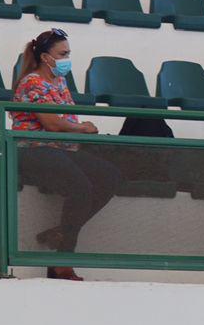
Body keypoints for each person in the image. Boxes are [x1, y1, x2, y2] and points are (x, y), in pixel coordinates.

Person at [11, 29, 121, 280]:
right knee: (80, 187)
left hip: (63, 150)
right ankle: (62, 261)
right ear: (45, 56)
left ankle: (62, 230)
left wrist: (79, 130)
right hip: (34, 150)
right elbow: (51, 124)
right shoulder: (32, 82)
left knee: (110, 175)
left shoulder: (59, 82)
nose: (66, 59)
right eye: (62, 54)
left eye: (68, 53)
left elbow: (65, 121)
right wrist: (82, 128)